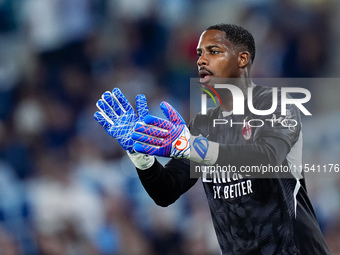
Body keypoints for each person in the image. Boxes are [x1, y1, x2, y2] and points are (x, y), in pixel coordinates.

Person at [94, 24, 331, 255]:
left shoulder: (276, 106)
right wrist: (140, 156)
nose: (201, 60)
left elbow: (267, 156)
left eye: (213, 51)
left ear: (242, 59)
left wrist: (192, 148)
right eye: (199, 54)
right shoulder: (203, 126)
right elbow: (166, 192)